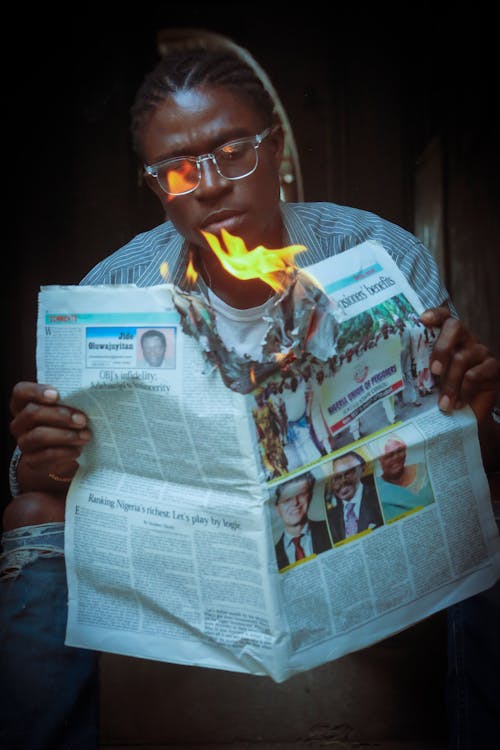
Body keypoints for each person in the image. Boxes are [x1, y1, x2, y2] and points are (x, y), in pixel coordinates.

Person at [2, 46, 499, 750]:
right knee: (28, 510)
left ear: (275, 150)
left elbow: (468, 453)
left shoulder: (374, 252)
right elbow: (45, 484)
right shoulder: (116, 290)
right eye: (178, 169)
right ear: (156, 186)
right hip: (187, 546)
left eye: (233, 150)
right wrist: (40, 462)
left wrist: (474, 412)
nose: (209, 185)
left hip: (351, 520)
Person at [274, 472, 331, 569]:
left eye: (301, 494)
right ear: (277, 508)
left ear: (310, 496)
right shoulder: (273, 555)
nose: (295, 503)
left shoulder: (331, 529)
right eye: (287, 499)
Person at [325, 451, 383, 542]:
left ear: (362, 468)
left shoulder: (379, 497)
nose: (343, 481)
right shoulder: (331, 517)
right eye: (337, 477)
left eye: (348, 473)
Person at [374, 435, 434, 521]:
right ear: (379, 459)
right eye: (389, 455)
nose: (396, 458)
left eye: (399, 451)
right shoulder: (377, 489)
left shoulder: (424, 469)